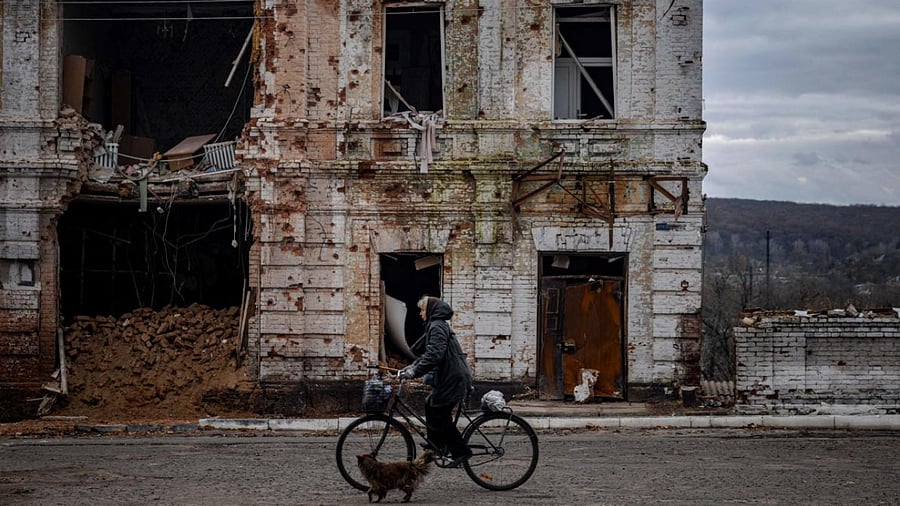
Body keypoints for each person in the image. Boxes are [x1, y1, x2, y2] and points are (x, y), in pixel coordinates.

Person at [399, 296, 473, 467]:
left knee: (440, 414)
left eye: (422, 310)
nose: (420, 314)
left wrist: (414, 372)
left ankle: (461, 452)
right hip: (448, 377)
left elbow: (434, 355)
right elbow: (428, 353)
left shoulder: (437, 326)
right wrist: (410, 368)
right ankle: (436, 445)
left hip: (453, 378)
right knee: (430, 403)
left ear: (430, 311)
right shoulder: (436, 325)